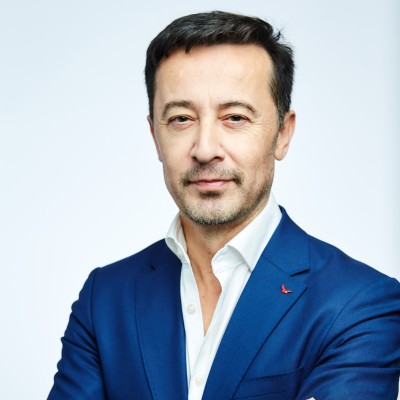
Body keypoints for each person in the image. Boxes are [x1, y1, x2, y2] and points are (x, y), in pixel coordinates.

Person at [48, 11, 400, 400]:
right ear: (155, 136)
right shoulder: (104, 300)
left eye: (234, 117)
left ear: (283, 133)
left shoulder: (361, 304)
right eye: (181, 119)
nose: (205, 149)